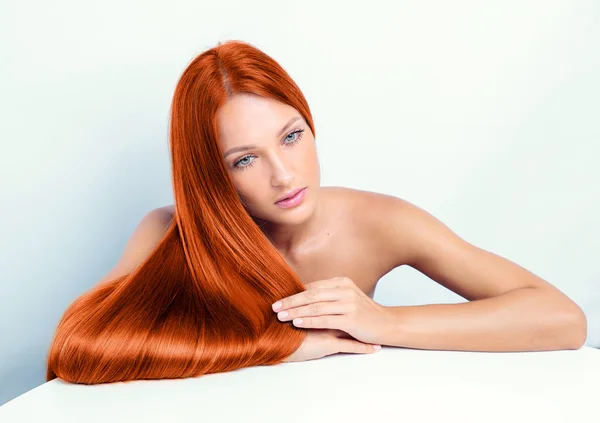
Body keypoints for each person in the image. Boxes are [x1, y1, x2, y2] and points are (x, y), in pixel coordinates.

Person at [46, 40, 587, 385]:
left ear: (310, 124)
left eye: (291, 136)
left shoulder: (379, 222)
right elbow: (76, 350)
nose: (283, 175)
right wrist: (281, 346)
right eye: (244, 160)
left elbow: (562, 320)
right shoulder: (170, 231)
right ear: (210, 173)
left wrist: (386, 322)